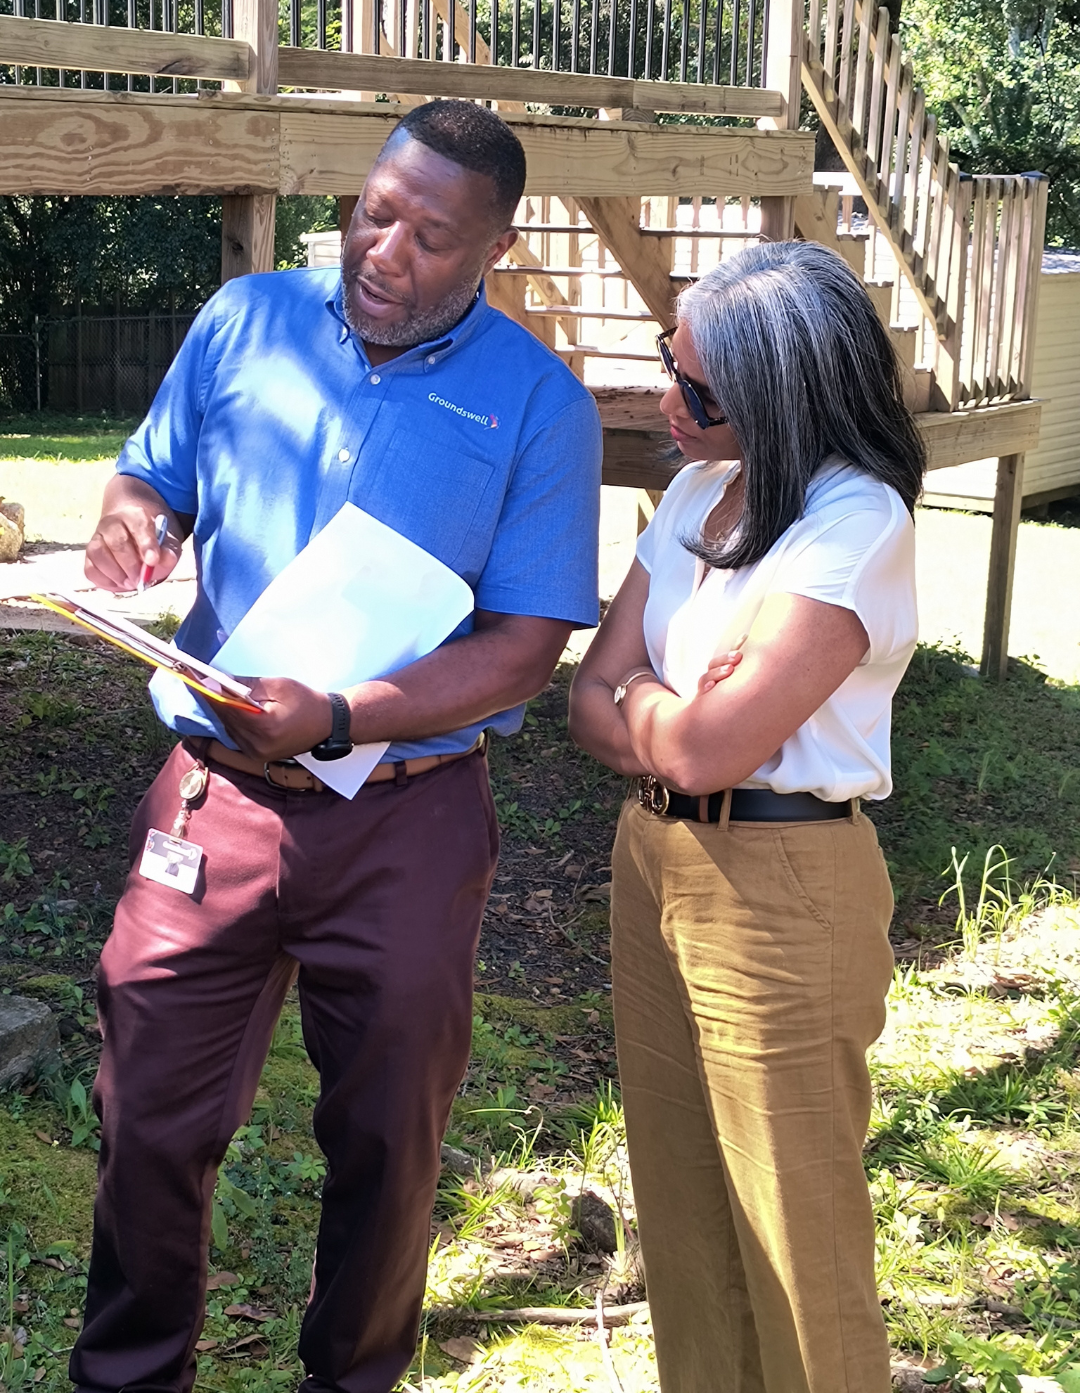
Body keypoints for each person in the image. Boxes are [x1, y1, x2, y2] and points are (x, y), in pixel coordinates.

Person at [72, 99, 602, 1393]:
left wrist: (346, 713)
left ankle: (353, 1375)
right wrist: (135, 516)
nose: (384, 251)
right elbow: (151, 476)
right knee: (146, 1112)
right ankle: (128, 1374)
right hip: (214, 803)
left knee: (388, 1136)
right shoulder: (243, 321)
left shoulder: (541, 406)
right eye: (374, 212)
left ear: (494, 251)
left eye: (429, 237)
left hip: (406, 820)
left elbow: (523, 648)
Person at [568, 240, 925, 1393]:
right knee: (682, 1208)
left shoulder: (854, 522)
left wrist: (651, 702)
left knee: (795, 1236)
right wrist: (664, 707)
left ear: (783, 392)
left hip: (784, 881)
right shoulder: (690, 494)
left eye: (701, 391)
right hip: (654, 855)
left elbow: (707, 743)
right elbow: (587, 693)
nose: (667, 402)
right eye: (668, 366)